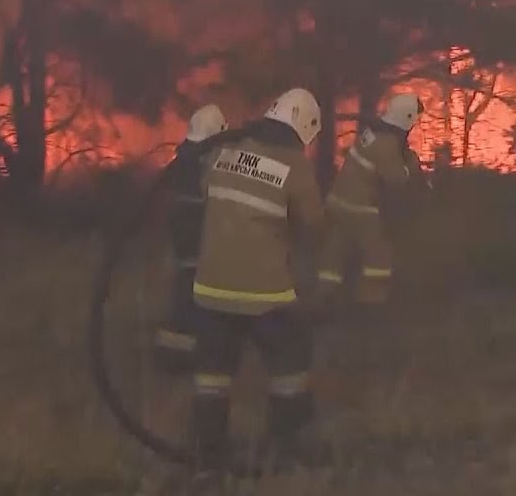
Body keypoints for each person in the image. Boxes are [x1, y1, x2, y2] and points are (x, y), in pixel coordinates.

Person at [188, 88, 327, 475]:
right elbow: (314, 226)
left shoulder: (226, 149)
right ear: (305, 128)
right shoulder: (295, 165)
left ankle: (207, 455)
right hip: (265, 294)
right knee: (291, 365)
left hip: (210, 290)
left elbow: (205, 193)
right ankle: (287, 448)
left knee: (212, 376)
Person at [316, 92, 428, 307]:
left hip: (337, 201)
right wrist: (411, 165)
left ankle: (324, 299)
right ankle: (370, 303)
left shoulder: (372, 132)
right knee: (378, 256)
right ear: (406, 118)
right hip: (360, 207)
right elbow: (395, 179)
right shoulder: (387, 143)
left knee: (334, 251)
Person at [153, 104, 227, 371]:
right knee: (197, 299)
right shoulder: (207, 164)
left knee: (182, 296)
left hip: (180, 241)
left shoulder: (178, 163)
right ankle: (194, 359)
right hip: (199, 240)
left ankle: (172, 357)